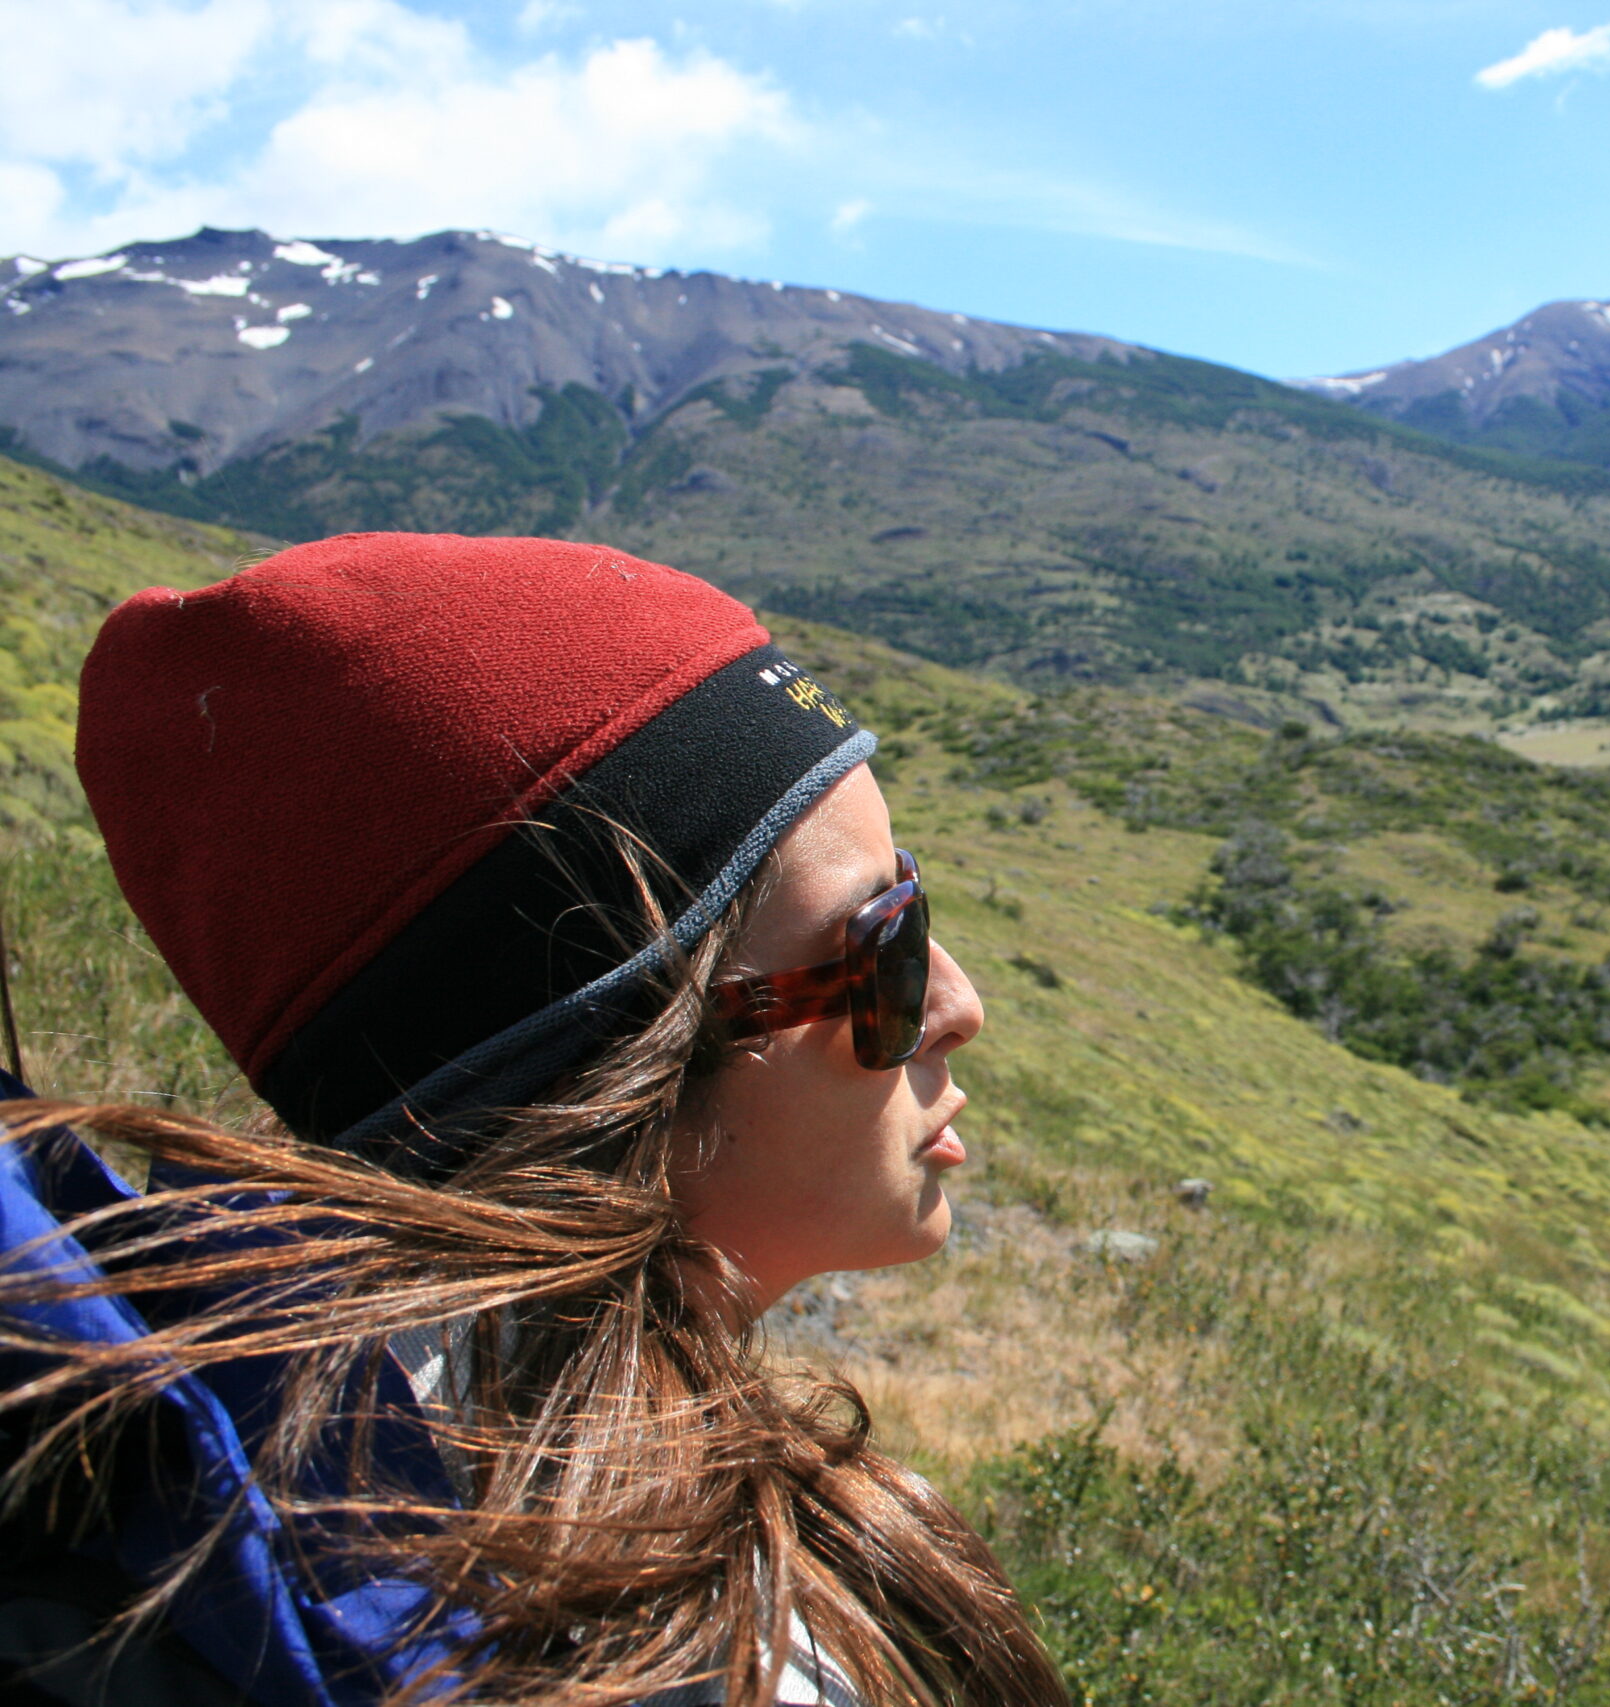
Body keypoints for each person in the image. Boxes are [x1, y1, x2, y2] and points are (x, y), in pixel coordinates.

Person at [0, 534, 1068, 1705]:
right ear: (612, 1059)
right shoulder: (683, 1657)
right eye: (884, 947)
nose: (961, 1006)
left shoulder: (363, 1458)